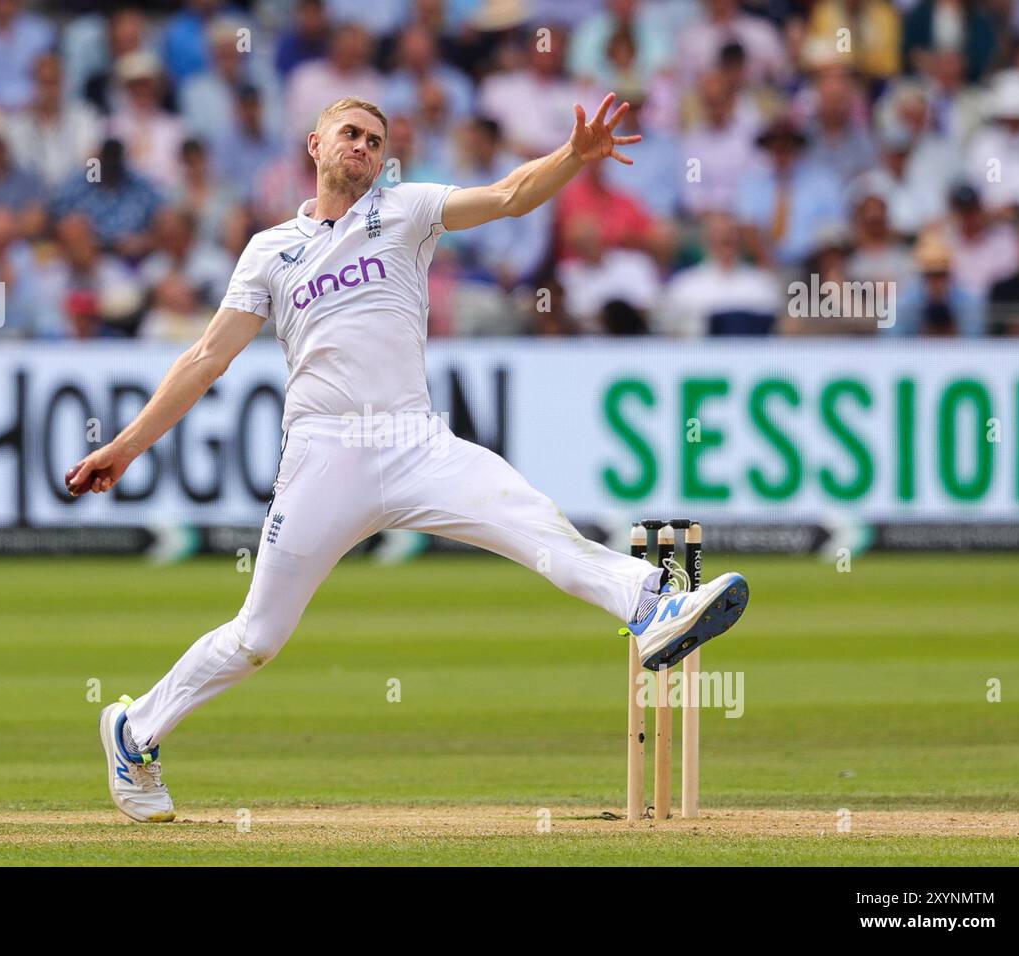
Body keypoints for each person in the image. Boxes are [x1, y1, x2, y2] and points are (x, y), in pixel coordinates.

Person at [66, 95, 752, 823]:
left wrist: (573, 158)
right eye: (350, 134)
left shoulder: (406, 209)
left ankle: (654, 605)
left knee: (532, 520)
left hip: (416, 441)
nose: (362, 146)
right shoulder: (270, 250)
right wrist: (125, 446)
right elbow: (205, 359)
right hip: (324, 452)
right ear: (315, 144)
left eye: (375, 139)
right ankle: (134, 730)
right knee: (257, 639)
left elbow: (510, 195)